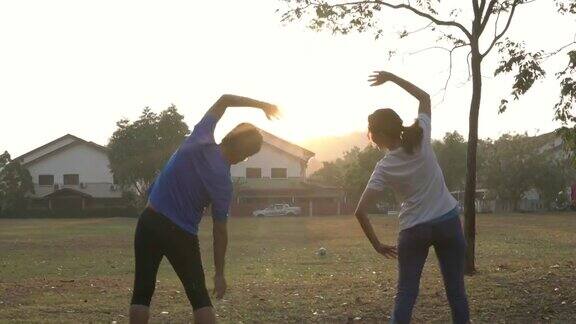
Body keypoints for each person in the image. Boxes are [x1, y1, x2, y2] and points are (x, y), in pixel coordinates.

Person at [129, 94, 280, 324]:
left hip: (149, 220)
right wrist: (219, 273)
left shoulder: (200, 137)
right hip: (180, 234)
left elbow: (225, 99)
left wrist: (262, 105)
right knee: (200, 299)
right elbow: (220, 231)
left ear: (229, 136)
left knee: (142, 291)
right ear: (244, 156)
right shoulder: (223, 184)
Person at [354, 71, 470, 324]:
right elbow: (424, 97)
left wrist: (377, 245)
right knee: (456, 293)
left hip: (414, 229)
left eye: (370, 132)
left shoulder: (384, 167)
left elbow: (360, 211)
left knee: (406, 294)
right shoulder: (421, 136)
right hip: (448, 222)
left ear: (378, 135)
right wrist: (392, 78)